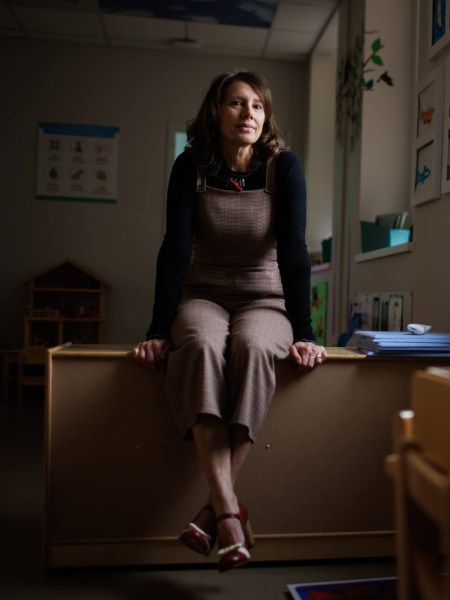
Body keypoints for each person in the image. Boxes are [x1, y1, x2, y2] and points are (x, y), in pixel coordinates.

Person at [133, 69, 327, 572]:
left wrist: (304, 333)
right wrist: (158, 330)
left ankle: (215, 511)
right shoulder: (189, 166)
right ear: (216, 111)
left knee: (257, 348)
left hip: (266, 297)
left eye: (258, 106)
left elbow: (294, 254)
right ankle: (230, 511)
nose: (249, 114)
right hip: (203, 294)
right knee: (197, 344)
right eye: (237, 104)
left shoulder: (282, 168)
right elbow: (175, 250)